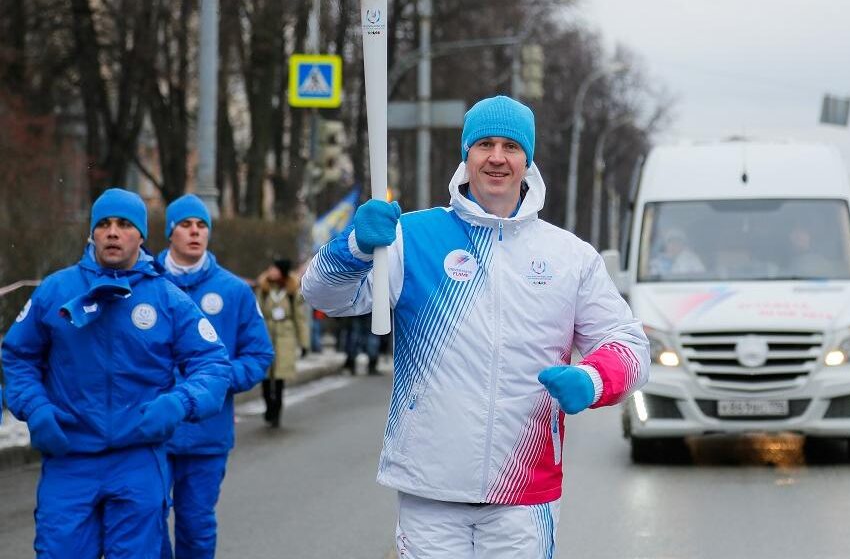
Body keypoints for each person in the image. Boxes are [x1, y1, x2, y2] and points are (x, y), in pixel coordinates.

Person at [302, 95, 649, 557]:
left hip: (524, 491)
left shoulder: (569, 256)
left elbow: (629, 344)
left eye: (511, 146)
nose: (497, 157)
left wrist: (593, 378)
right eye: (485, 144)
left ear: (527, 161)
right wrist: (354, 249)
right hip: (429, 488)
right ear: (466, 155)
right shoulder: (413, 237)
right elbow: (323, 296)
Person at [0, 188, 230, 558]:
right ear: (92, 233)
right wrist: (36, 407)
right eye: (104, 224)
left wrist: (180, 402)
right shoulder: (55, 291)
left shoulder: (167, 298)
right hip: (69, 455)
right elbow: (18, 357)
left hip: (137, 458)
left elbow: (213, 364)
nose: (112, 232)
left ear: (141, 235)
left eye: (124, 224)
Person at [157, 194, 274, 558]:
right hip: (152, 432)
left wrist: (215, 381)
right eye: (185, 225)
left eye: (201, 225)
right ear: (170, 233)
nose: (195, 232)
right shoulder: (145, 283)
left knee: (195, 526)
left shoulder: (233, 290)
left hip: (207, 434)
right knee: (146, 522)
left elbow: (259, 354)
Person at [257, 258, 308, 428]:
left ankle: (277, 410)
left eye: (275, 269)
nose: (271, 271)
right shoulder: (264, 289)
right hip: (266, 335)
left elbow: (300, 318)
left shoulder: (292, 292)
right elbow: (256, 315)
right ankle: (268, 405)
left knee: (279, 377)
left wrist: (304, 343)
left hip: (285, 337)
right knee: (265, 375)